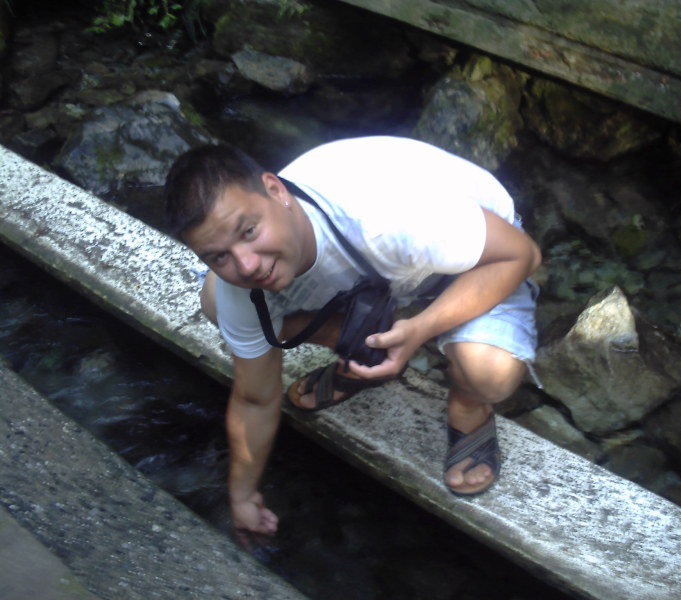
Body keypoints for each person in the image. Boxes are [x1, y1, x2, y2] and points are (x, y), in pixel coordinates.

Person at [164, 136, 541, 536]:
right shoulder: (245, 279)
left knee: (489, 374)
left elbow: (523, 254)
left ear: (275, 190)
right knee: (219, 303)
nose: (246, 264)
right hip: (395, 267)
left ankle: (467, 406)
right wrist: (241, 495)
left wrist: (422, 328)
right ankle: (365, 351)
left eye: (249, 231)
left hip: (481, 252)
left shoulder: (386, 216)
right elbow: (255, 397)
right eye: (218, 256)